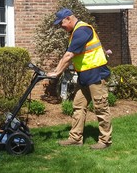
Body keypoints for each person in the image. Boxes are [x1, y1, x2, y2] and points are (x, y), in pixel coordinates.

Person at [47, 8, 113, 150]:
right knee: (78, 106)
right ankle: (75, 138)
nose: (61, 26)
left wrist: (56, 72)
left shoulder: (83, 31)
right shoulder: (75, 32)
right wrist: (56, 71)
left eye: (61, 23)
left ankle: (105, 141)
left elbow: (69, 55)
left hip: (96, 75)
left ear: (69, 18)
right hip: (84, 76)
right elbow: (70, 55)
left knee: (101, 108)